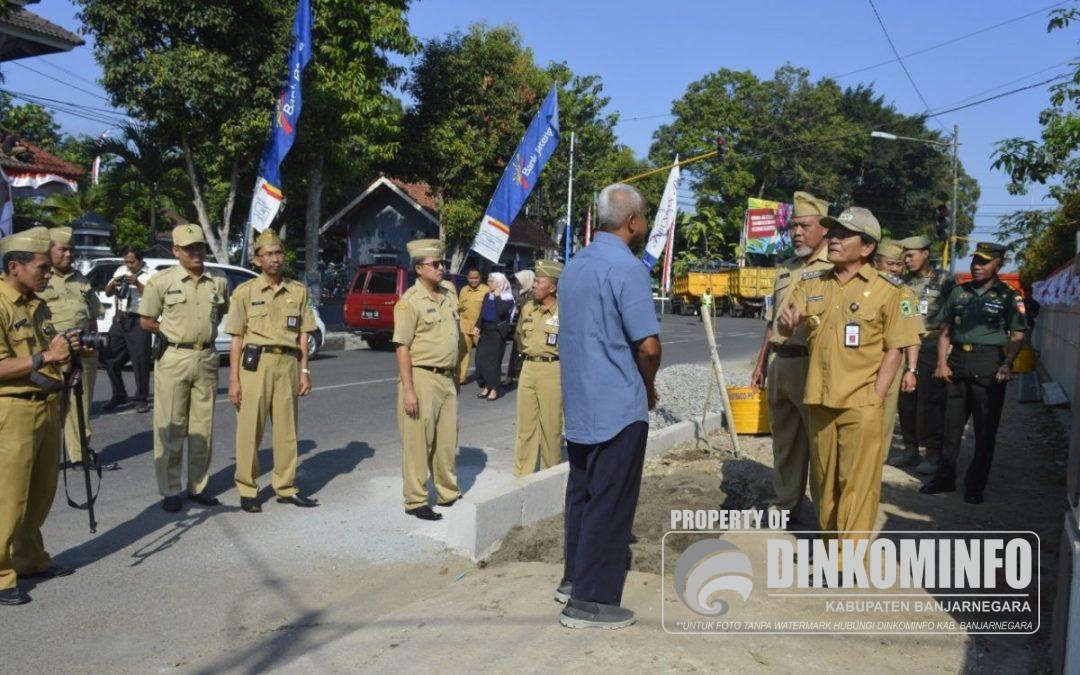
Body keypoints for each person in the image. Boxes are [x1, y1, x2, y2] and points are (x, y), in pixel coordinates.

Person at [778, 207, 920, 548]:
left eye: (844, 235)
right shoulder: (812, 283)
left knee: (857, 483)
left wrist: (878, 394)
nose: (834, 240)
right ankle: (830, 547)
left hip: (862, 402)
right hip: (819, 398)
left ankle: (849, 557)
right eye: (833, 233)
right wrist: (787, 324)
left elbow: (895, 348)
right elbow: (788, 320)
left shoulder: (892, 291)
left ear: (868, 247)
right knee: (825, 483)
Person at [557, 183, 661, 630]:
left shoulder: (573, 266)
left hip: (580, 402)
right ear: (633, 221)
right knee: (611, 501)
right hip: (618, 404)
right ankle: (590, 602)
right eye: (643, 219)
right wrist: (649, 385)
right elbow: (649, 347)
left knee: (581, 494)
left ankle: (572, 578)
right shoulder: (628, 268)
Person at [0, 227, 81, 606]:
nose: (49, 274)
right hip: (12, 410)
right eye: (42, 267)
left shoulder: (38, 303)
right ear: (14, 266)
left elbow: (50, 349)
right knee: (8, 498)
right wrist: (47, 357)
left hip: (46, 404)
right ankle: (2, 574)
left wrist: (68, 353)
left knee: (40, 492)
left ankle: (31, 559)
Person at [920, 242, 1027, 504]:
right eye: (975, 261)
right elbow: (945, 331)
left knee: (984, 429)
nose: (977, 266)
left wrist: (1007, 362)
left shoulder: (1008, 296)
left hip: (989, 364)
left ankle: (975, 486)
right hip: (957, 362)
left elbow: (1018, 333)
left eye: (984, 262)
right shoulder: (959, 293)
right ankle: (944, 479)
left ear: (998, 265)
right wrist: (941, 363)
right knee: (950, 428)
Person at [750, 191, 831, 525]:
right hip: (780, 364)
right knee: (784, 443)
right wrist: (760, 365)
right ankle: (787, 506)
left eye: (804, 226)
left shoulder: (835, 268)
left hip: (812, 365)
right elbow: (772, 322)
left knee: (820, 445)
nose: (796, 232)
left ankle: (827, 512)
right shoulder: (786, 268)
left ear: (824, 228)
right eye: (794, 226)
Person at [227, 229, 319, 513]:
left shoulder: (297, 291)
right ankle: (247, 488)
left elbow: (304, 334)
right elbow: (237, 338)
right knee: (249, 430)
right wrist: (234, 379)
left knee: (286, 431)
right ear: (257, 260)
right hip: (255, 366)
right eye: (269, 254)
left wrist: (304, 370)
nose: (276, 259)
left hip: (288, 364)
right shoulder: (245, 292)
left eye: (279, 253)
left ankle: (286, 487)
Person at [139, 225, 230, 512]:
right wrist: (168, 332)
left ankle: (198, 486)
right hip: (174, 358)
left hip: (206, 358)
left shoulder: (219, 281)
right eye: (189, 248)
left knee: (203, 427)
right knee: (171, 427)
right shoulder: (161, 281)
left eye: (200, 247)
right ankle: (170, 490)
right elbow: (146, 320)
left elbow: (222, 311)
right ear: (176, 251)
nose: (196, 253)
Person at [392, 239, 462, 521]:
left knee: (446, 440)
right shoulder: (409, 302)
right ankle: (416, 499)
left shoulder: (448, 293)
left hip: (446, 378)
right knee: (418, 442)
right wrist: (408, 390)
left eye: (442, 263)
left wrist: (456, 375)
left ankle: (447, 491)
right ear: (419, 268)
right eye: (435, 264)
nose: (441, 268)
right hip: (421, 377)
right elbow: (402, 347)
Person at [38, 227, 118, 471]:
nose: (69, 254)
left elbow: (92, 314)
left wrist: (93, 345)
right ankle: (43, 458)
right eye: (63, 249)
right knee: (49, 407)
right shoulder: (40, 278)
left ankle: (79, 455)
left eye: (71, 250)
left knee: (79, 406)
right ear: (49, 251)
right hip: (51, 354)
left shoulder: (81, 279)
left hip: (83, 352)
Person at [896, 235, 955, 472]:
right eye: (904, 256)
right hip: (906, 344)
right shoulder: (903, 282)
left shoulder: (945, 280)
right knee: (906, 400)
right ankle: (910, 450)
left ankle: (933, 453)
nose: (907, 260)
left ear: (925, 253)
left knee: (931, 401)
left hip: (932, 345)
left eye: (911, 255)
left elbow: (953, 315)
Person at [873, 240, 924, 463]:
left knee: (883, 418)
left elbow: (912, 334)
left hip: (890, 363)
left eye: (899, 265)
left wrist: (911, 369)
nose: (894, 269)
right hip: (857, 363)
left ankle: (876, 463)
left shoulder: (905, 294)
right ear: (876, 262)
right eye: (890, 263)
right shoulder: (860, 287)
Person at [512, 261, 563, 477]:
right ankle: (522, 475)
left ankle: (549, 475)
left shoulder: (565, 311)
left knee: (551, 427)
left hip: (552, 370)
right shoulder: (527, 308)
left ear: (552, 287)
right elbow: (519, 336)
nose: (533, 286)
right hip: (528, 368)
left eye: (538, 282)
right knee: (525, 428)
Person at [102, 247, 153, 413]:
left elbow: (153, 296)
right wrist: (113, 283)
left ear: (140, 260)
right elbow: (108, 293)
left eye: (131, 262)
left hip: (139, 320)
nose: (128, 265)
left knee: (140, 361)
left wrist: (137, 283)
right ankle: (119, 394)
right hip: (120, 319)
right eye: (126, 261)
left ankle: (141, 398)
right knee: (107, 356)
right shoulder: (120, 270)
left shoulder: (151, 274)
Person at [474, 272, 515, 401]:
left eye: (491, 281)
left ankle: (494, 389)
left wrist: (498, 297)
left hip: (497, 333)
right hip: (485, 331)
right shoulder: (487, 295)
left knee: (493, 363)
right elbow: (482, 312)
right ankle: (486, 386)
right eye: (488, 280)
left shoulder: (507, 297)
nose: (488, 283)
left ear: (498, 283)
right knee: (480, 361)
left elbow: (502, 312)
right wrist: (477, 326)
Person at [456, 268, 488, 385]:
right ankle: (461, 378)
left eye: (476, 278)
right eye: (471, 278)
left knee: (482, 354)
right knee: (463, 353)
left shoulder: (486, 290)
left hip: (479, 328)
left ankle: (484, 378)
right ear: (467, 278)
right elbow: (458, 306)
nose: (473, 280)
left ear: (480, 278)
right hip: (464, 326)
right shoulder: (463, 290)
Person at [505, 269, 534, 384]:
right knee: (515, 352)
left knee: (524, 353)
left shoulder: (533, 294)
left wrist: (520, 304)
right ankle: (510, 376)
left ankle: (523, 378)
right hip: (519, 327)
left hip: (528, 328)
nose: (517, 283)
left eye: (519, 281)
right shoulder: (523, 292)